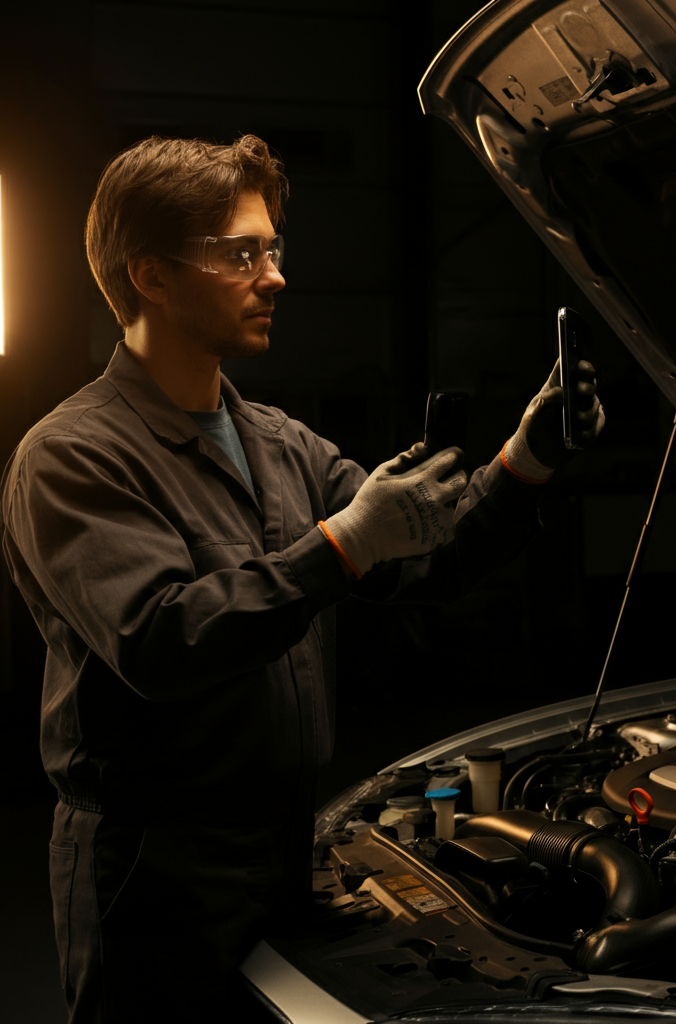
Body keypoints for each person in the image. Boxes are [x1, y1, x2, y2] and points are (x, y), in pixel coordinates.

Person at [0, 134, 604, 1023]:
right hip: (153, 879)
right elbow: (161, 638)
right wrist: (343, 544)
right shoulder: (74, 457)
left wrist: (526, 459)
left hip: (287, 852)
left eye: (272, 248)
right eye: (241, 253)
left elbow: (425, 558)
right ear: (152, 276)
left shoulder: (280, 443)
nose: (274, 275)